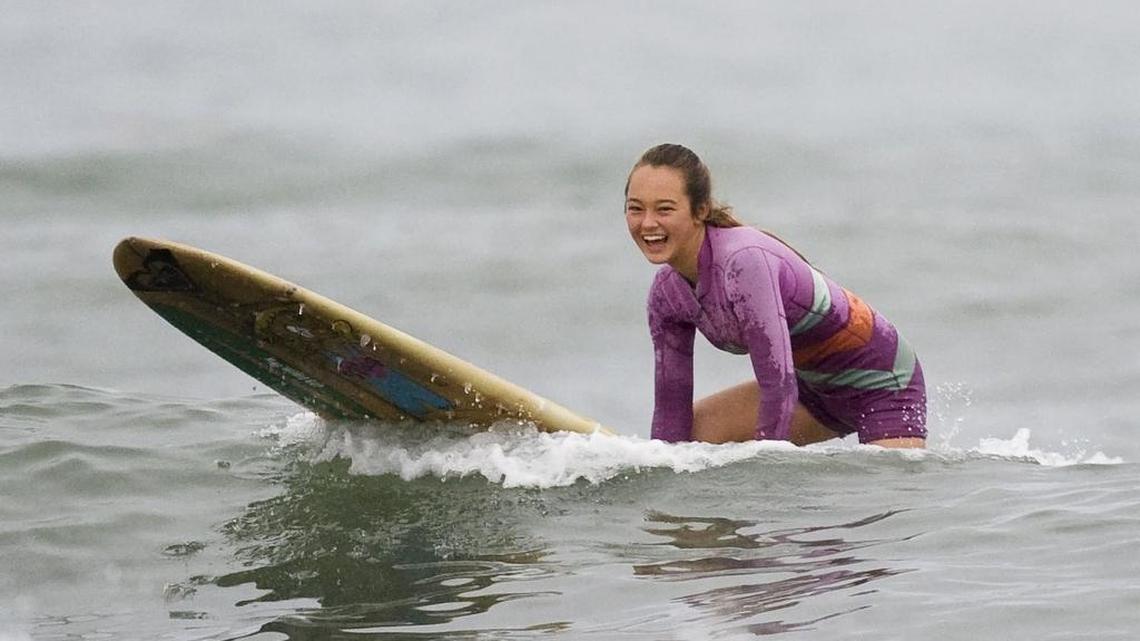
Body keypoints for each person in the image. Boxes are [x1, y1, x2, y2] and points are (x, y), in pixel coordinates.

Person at [625, 144, 926, 448]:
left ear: (700, 210)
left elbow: (777, 385)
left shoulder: (743, 262)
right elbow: (670, 407)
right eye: (636, 208)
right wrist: (661, 471)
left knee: (889, 493)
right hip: (811, 390)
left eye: (664, 209)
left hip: (881, 381)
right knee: (688, 442)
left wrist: (766, 477)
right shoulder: (667, 295)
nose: (647, 223)